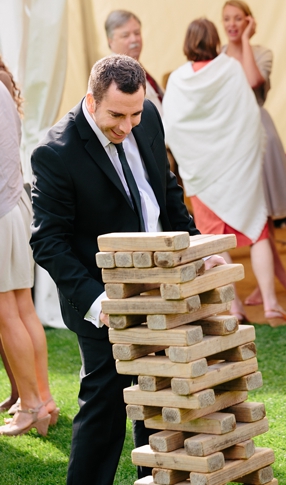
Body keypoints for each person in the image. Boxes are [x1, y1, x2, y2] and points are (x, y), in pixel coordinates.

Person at [29, 54, 211, 483]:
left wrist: (197, 245)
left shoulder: (145, 116)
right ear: (91, 101)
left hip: (162, 288)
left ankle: (157, 476)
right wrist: (97, 301)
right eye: (117, 115)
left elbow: (165, 188)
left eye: (135, 113)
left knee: (162, 395)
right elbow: (48, 242)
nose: (128, 125)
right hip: (100, 298)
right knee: (106, 402)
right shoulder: (55, 152)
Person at [163, 19, 286, 322]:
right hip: (238, 171)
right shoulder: (230, 68)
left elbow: (172, 127)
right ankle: (271, 304)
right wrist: (245, 156)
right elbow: (250, 117)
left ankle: (233, 307)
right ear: (215, 39)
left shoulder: (179, 79)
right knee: (258, 233)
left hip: (203, 175)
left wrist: (192, 161)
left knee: (214, 241)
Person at [220, 0, 286, 303]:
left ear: (249, 21)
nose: (231, 24)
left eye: (238, 19)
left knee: (264, 214)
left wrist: (244, 41)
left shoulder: (261, 53)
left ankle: (275, 280)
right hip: (232, 137)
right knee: (258, 217)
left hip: (258, 131)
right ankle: (278, 279)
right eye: (227, 19)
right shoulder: (217, 55)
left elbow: (252, 81)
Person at [0, 59, 57, 436]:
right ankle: (43, 399)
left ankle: (32, 406)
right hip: (17, 206)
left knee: (7, 313)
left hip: (0, 212)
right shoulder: (3, 85)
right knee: (24, 307)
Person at [105, 10, 164, 114]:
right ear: (111, 41)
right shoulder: (115, 74)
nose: (134, 39)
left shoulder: (134, 65)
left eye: (137, 33)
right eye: (125, 35)